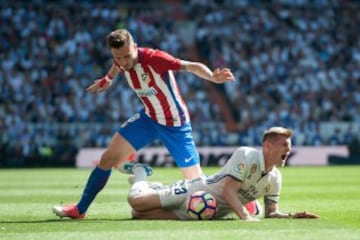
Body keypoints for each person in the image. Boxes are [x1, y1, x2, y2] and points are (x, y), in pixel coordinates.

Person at [52, 28, 235, 219]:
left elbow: (191, 65)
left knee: (197, 183)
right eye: (118, 58)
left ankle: (230, 201)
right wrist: (108, 79)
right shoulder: (120, 59)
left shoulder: (155, 58)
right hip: (148, 118)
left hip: (175, 123)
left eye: (126, 56)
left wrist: (213, 77)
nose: (123, 62)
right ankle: (80, 209)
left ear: (135, 47)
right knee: (107, 159)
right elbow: (116, 65)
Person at [124, 126, 320, 220]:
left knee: (138, 215)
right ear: (267, 146)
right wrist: (246, 217)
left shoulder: (276, 178)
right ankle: (141, 174)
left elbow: (271, 213)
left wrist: (292, 216)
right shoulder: (246, 155)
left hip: (205, 212)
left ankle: (156, 188)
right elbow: (228, 191)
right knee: (137, 202)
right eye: (284, 144)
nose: (289, 148)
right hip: (194, 191)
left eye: (289, 144)